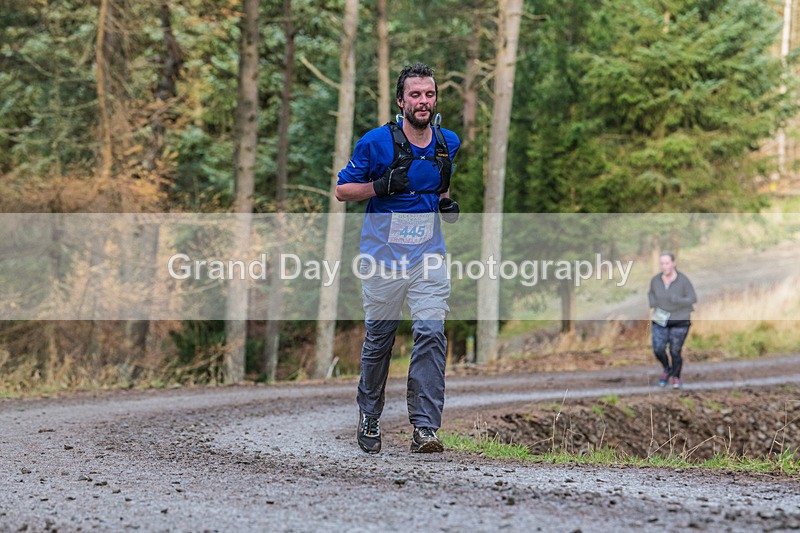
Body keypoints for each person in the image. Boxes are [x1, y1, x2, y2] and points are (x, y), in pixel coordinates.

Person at [335, 63, 460, 454]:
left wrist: (445, 204)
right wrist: (379, 186)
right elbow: (342, 191)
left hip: (429, 257)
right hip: (382, 259)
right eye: (416, 95)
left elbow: (439, 185)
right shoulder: (375, 143)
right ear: (401, 101)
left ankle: (425, 428)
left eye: (430, 95)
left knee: (430, 332)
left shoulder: (446, 142)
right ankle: (370, 412)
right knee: (380, 340)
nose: (423, 102)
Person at [647, 252, 697, 389]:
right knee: (658, 349)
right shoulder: (656, 280)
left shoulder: (683, 280)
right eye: (662, 263)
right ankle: (666, 368)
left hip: (680, 320)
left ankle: (676, 377)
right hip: (660, 319)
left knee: (675, 351)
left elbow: (693, 299)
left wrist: (678, 300)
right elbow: (650, 293)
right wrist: (652, 302)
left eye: (667, 263)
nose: (664, 266)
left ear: (674, 263)